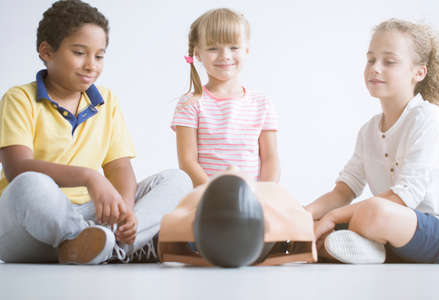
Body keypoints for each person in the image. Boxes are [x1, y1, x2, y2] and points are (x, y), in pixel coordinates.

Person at [0, 0, 191, 264]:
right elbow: (16, 168)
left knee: (176, 180)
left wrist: (126, 211)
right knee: (29, 184)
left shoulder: (106, 101)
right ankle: (96, 241)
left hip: (92, 216)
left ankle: (109, 245)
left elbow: (119, 168)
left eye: (99, 56)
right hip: (29, 226)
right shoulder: (19, 98)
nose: (91, 65)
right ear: (46, 52)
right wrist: (90, 177)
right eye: (79, 52)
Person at [307, 19, 439, 264]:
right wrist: (301, 215)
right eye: (371, 59)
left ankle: (372, 244)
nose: (375, 68)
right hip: (386, 225)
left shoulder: (428, 118)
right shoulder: (368, 131)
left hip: (437, 230)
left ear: (419, 72)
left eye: (389, 62)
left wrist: (333, 218)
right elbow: (344, 190)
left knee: (373, 211)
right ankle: (372, 249)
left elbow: (404, 198)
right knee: (315, 225)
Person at [171, 8, 280, 187]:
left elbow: (270, 159)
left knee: (294, 212)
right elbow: (188, 162)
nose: (225, 56)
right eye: (213, 48)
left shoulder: (262, 104)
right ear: (197, 53)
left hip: (254, 197)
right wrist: (214, 194)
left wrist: (264, 193)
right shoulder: (190, 104)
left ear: (246, 50)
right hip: (206, 197)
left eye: (234, 47)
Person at [158, 167, 317, 267]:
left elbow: (167, 244)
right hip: (217, 208)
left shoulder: (193, 200)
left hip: (208, 229)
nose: (232, 167)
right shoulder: (277, 199)